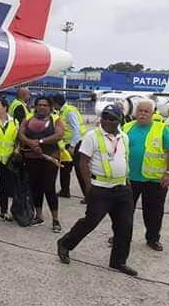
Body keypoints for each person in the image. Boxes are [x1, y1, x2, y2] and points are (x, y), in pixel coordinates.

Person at [57, 104, 137, 276]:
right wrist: (88, 187)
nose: (107, 121)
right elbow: (83, 161)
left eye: (112, 118)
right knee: (90, 222)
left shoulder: (124, 137)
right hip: (100, 189)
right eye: (104, 117)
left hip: (122, 188)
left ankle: (118, 261)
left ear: (119, 120)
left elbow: (124, 158)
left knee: (125, 226)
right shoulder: (92, 136)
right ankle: (65, 243)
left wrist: (127, 181)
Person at [123, 100, 169, 252]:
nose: (142, 114)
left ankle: (153, 239)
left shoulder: (161, 128)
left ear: (153, 113)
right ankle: (121, 236)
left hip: (154, 179)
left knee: (153, 212)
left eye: (146, 111)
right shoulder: (127, 127)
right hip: (129, 178)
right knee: (124, 211)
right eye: (140, 110)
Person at [18, 95, 64, 232]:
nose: (42, 107)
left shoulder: (56, 119)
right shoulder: (28, 119)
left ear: (50, 107)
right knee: (35, 187)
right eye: (39, 105)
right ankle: (38, 216)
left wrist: (40, 142)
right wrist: (30, 143)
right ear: (35, 106)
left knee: (49, 188)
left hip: (50, 158)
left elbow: (59, 135)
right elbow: (20, 134)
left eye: (45, 105)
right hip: (31, 158)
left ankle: (55, 220)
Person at [52, 94, 87, 199]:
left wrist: (72, 146)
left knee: (79, 170)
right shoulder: (62, 111)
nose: (53, 107)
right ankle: (65, 190)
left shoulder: (69, 111)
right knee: (64, 168)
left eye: (53, 104)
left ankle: (88, 195)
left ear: (57, 103)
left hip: (75, 144)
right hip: (67, 144)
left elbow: (76, 129)